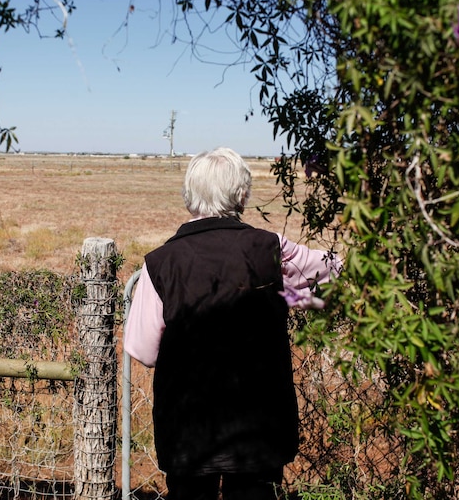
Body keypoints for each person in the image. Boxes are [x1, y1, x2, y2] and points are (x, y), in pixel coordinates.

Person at [124, 147, 342, 500]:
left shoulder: (159, 263)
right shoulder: (269, 248)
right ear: (242, 195)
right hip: (259, 430)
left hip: (187, 431)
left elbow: (144, 350)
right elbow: (330, 268)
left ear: (189, 198)